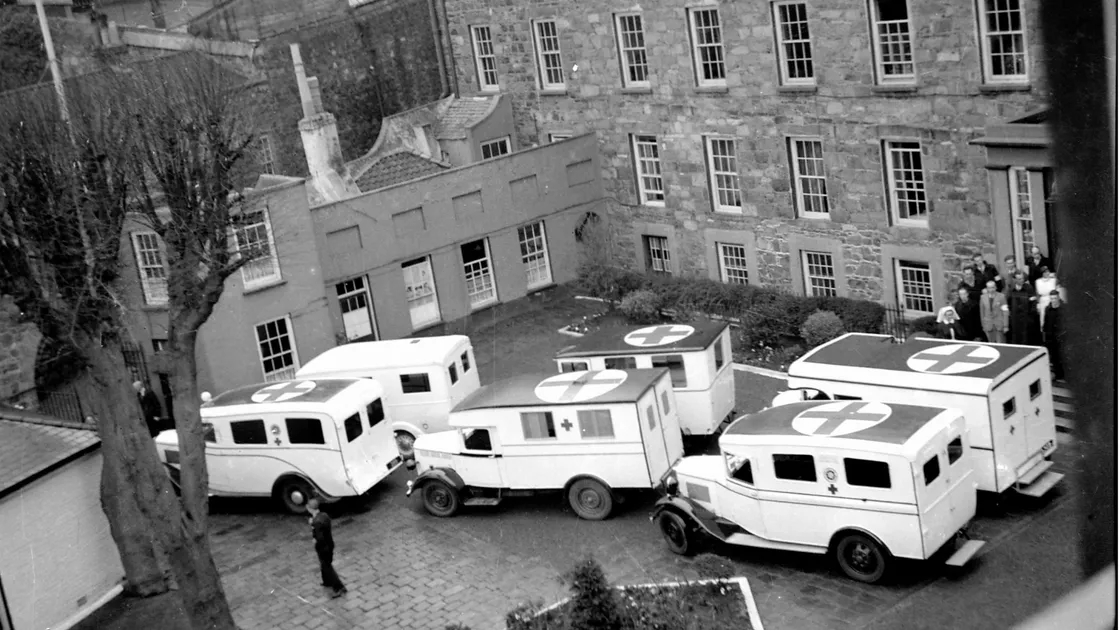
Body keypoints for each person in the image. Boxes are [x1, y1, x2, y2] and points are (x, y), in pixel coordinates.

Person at [307, 499, 347, 598]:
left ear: (309, 508)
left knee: (327, 566)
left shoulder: (316, 522)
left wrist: (315, 538)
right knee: (324, 564)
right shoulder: (324, 515)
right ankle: (327, 581)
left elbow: (319, 537)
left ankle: (339, 587)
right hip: (330, 544)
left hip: (323, 547)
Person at [1005, 271, 1038, 345]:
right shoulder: (1011, 289)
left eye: (1022, 278)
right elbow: (1008, 303)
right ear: (1015, 280)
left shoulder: (1029, 288)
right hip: (1015, 319)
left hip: (1026, 318)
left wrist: (1031, 317)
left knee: (1027, 338)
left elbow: (1033, 302)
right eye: (1019, 279)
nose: (1022, 280)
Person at [1041, 290, 1065, 381]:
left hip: (1062, 337)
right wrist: (1045, 335)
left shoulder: (1064, 308)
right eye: (1051, 299)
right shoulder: (1048, 308)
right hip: (1051, 337)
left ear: (1058, 297)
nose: (1053, 300)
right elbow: (1046, 323)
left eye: (1055, 298)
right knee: (1054, 356)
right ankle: (1058, 374)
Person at [979, 279, 1009, 343]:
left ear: (995, 287)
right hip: (988, 325)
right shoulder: (982, 297)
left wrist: (1006, 326)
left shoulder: (1002, 296)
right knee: (991, 344)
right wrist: (983, 325)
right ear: (987, 288)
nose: (991, 290)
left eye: (992, 287)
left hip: (999, 325)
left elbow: (1005, 312)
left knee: (1001, 344)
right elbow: (982, 312)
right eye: (989, 288)